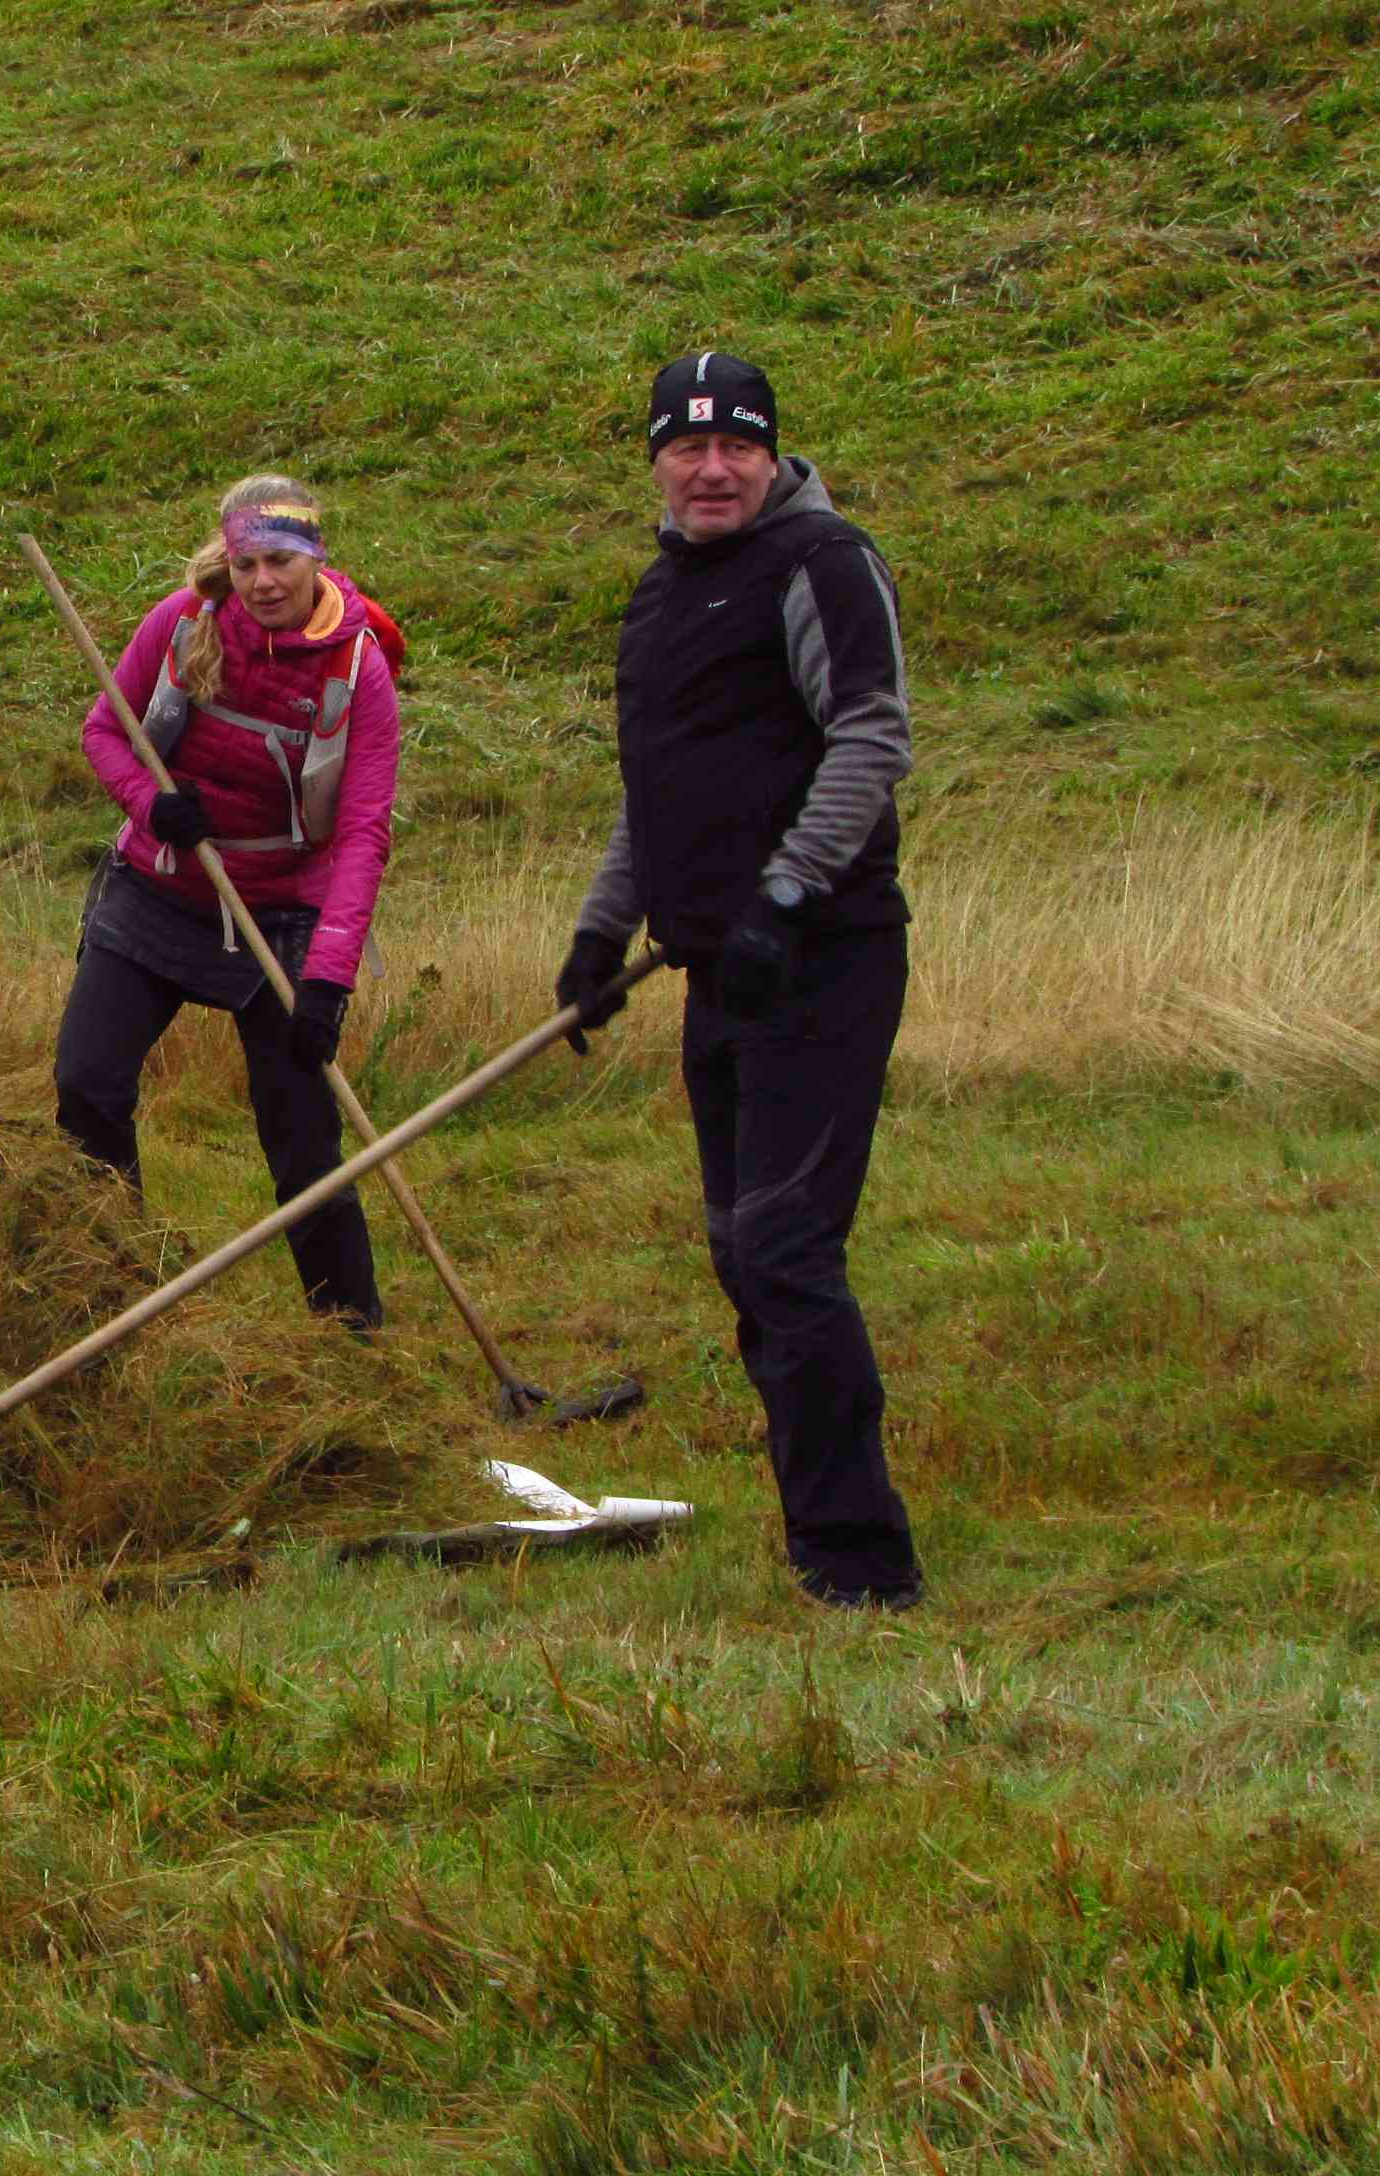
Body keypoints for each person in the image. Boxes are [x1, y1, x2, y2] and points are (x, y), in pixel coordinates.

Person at [553, 351, 925, 1609]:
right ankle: (814, 1524)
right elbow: (654, 792)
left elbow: (873, 733)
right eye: (686, 447)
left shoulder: (823, 565)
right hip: (720, 970)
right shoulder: (660, 598)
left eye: (739, 448)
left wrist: (784, 893)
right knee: (738, 1250)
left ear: (774, 455)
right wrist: (603, 936)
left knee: (784, 1250)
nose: (713, 470)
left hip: (820, 959)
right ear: (655, 458)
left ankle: (861, 1561)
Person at [53, 474, 400, 1328]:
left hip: (281, 911)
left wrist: (328, 980)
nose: (262, 582)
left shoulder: (360, 671)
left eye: (280, 560)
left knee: (303, 1144)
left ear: (317, 558)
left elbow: (361, 834)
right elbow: (105, 732)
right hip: (157, 891)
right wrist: (152, 805)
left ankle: (350, 1333)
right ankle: (111, 1293)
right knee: (86, 1085)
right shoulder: (181, 624)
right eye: (245, 562)